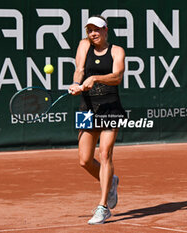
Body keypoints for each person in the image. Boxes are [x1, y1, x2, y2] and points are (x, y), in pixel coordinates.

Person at [69, 15, 126, 225]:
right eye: (90, 30)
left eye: (97, 29)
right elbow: (80, 70)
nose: (93, 33)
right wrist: (77, 83)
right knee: (84, 160)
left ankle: (103, 207)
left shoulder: (117, 51)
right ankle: (111, 182)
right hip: (87, 108)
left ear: (105, 30)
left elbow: (117, 76)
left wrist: (95, 79)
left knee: (105, 154)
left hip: (110, 107)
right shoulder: (84, 45)